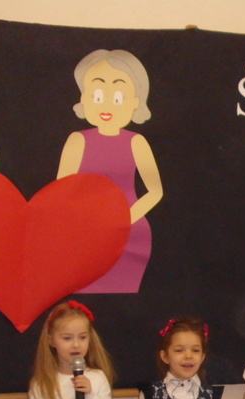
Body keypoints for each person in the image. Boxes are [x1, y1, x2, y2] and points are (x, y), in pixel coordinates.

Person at [58, 49, 163, 293]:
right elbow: (61, 192)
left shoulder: (136, 142)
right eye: (96, 95)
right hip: (83, 234)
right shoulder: (77, 140)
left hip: (130, 236)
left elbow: (155, 191)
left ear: (135, 101)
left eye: (117, 97)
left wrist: (123, 220)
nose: (106, 105)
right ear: (84, 98)